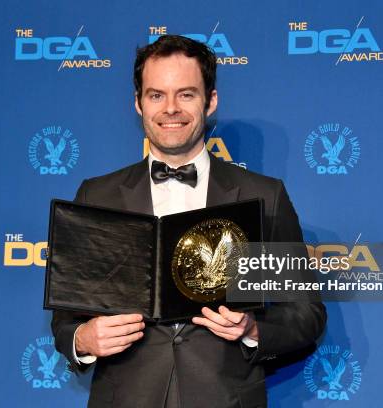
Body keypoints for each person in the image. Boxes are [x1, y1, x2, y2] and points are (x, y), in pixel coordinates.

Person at [52, 35, 327, 408]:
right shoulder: (96, 195)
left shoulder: (264, 196)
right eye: (156, 95)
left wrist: (252, 330)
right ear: (138, 103)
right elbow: (67, 320)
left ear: (210, 101)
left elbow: (305, 313)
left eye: (186, 94)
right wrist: (83, 340)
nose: (170, 109)